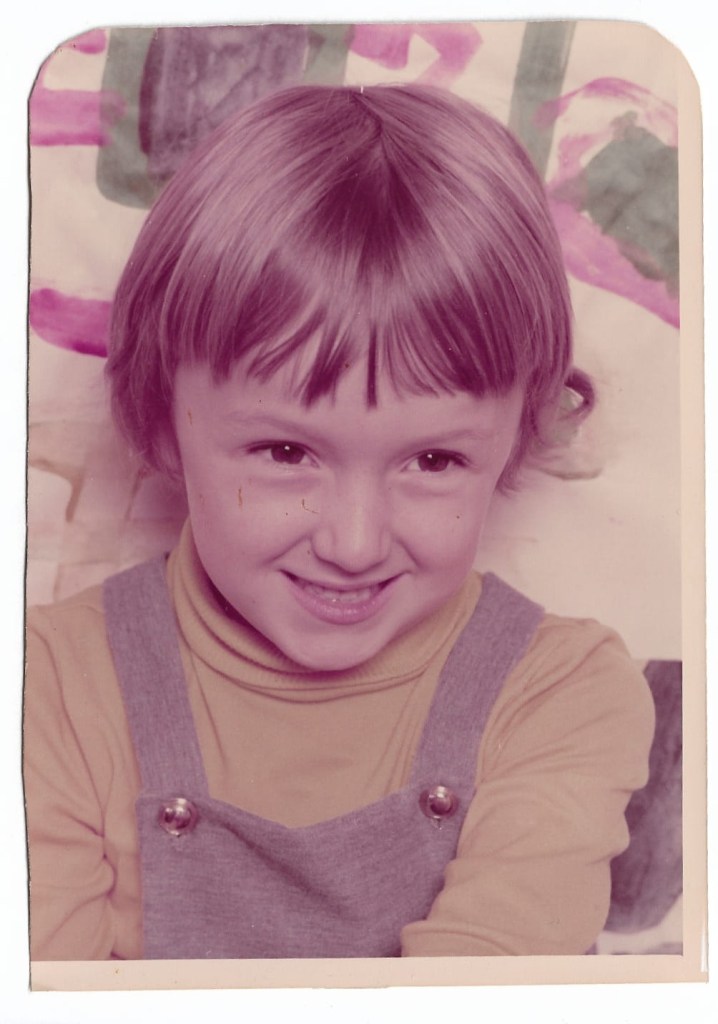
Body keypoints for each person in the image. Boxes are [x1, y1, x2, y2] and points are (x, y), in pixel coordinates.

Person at [24, 84, 655, 960]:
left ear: (517, 434)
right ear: (163, 422)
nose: (354, 544)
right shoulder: (48, 688)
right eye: (286, 453)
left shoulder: (561, 695)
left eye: (433, 461)